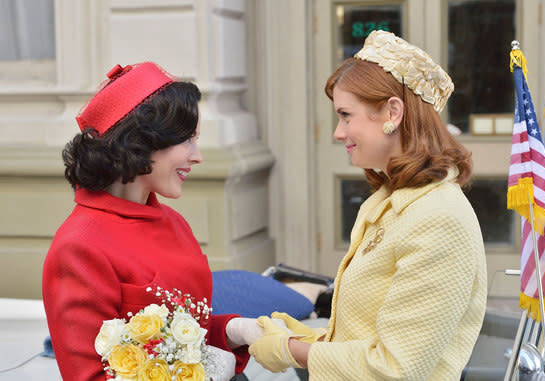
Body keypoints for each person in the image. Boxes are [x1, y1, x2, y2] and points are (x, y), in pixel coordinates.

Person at [248, 30, 487, 380]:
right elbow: (368, 334)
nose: (338, 132)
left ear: (393, 111)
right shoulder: (389, 201)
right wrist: (308, 336)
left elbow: (397, 368)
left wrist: (293, 351)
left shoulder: (439, 218)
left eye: (346, 115)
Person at [42, 62, 260, 381]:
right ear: (140, 142)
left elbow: (183, 339)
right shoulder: (78, 247)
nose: (197, 156)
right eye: (186, 140)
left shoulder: (174, 223)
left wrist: (231, 331)